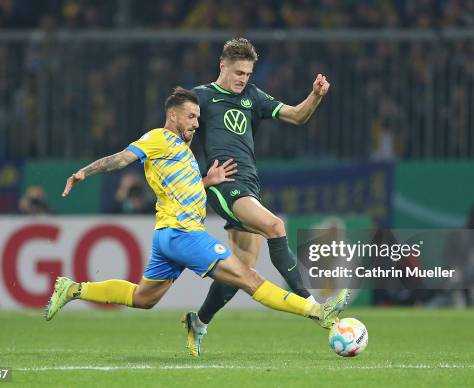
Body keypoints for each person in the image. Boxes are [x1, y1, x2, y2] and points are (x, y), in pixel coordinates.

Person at [44, 88, 349, 355]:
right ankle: (317, 311)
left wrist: (207, 180)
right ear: (172, 115)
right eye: (191, 116)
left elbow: (177, 187)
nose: (196, 123)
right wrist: (85, 171)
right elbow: (122, 158)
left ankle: (72, 289)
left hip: (167, 235)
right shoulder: (158, 138)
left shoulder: (180, 149)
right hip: (184, 234)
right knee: (249, 278)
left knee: (143, 297)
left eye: (198, 117)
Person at [185, 37, 331, 355]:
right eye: (238, 72)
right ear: (222, 65)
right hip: (225, 187)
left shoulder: (252, 96)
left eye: (248, 74)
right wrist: (201, 179)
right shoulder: (199, 97)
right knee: (276, 226)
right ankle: (312, 305)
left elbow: (296, 115)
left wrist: (315, 97)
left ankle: (198, 321)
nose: (243, 79)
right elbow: (174, 145)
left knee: (242, 271)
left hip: (250, 187)